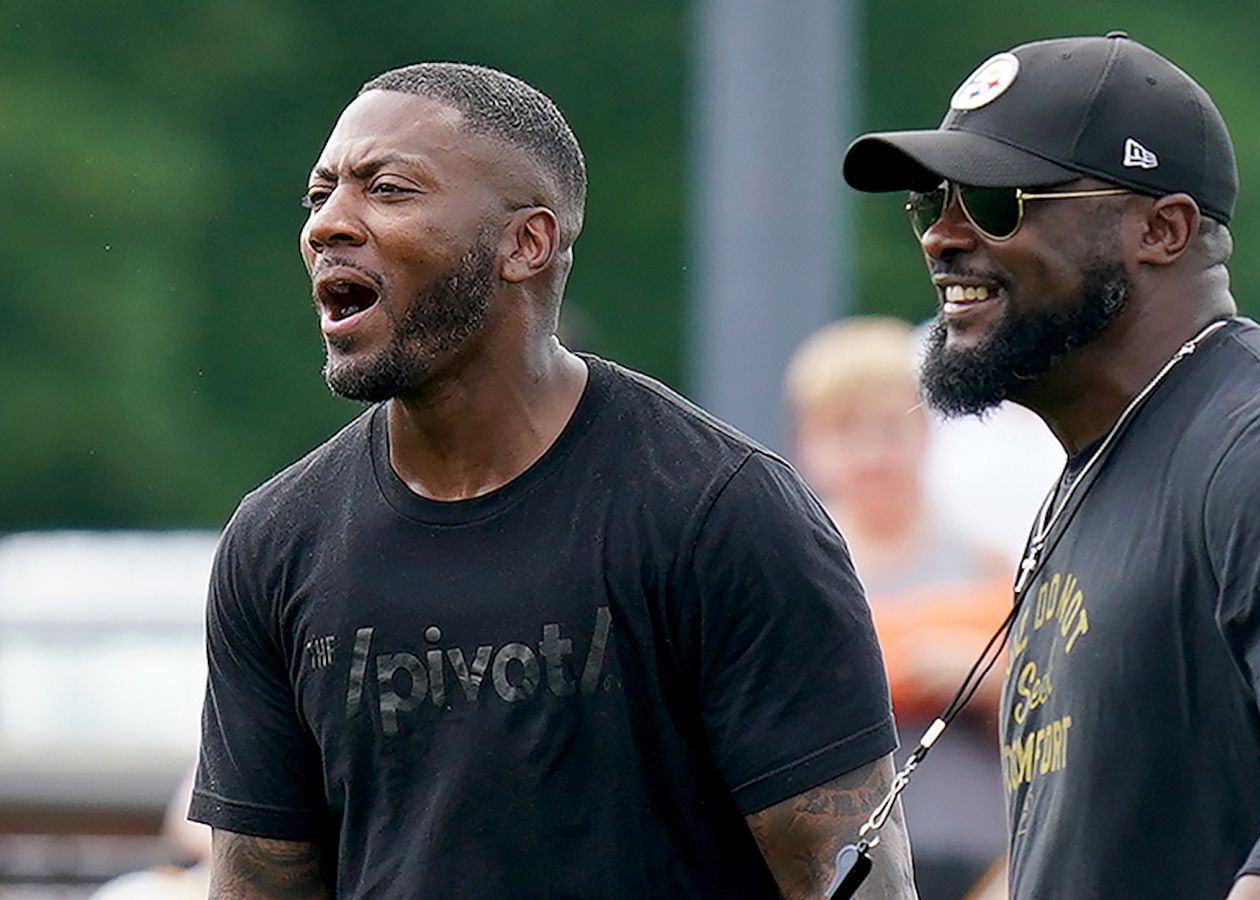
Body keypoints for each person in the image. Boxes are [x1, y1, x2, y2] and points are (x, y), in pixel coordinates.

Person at [187, 62, 915, 899]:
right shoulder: (278, 543)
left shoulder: (722, 513)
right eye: (319, 197)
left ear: (525, 243)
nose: (327, 227)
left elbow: (853, 876)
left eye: (385, 189)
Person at [842, 33, 1260, 899]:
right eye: (934, 202)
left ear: (1162, 228)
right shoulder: (1102, 467)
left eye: (998, 201)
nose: (944, 238)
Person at [785, 316, 1011, 900]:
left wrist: (979, 677)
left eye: (890, 428)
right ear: (806, 444)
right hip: (842, 864)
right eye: (845, 431)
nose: (871, 453)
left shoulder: (987, 562)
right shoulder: (796, 569)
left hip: (984, 858)